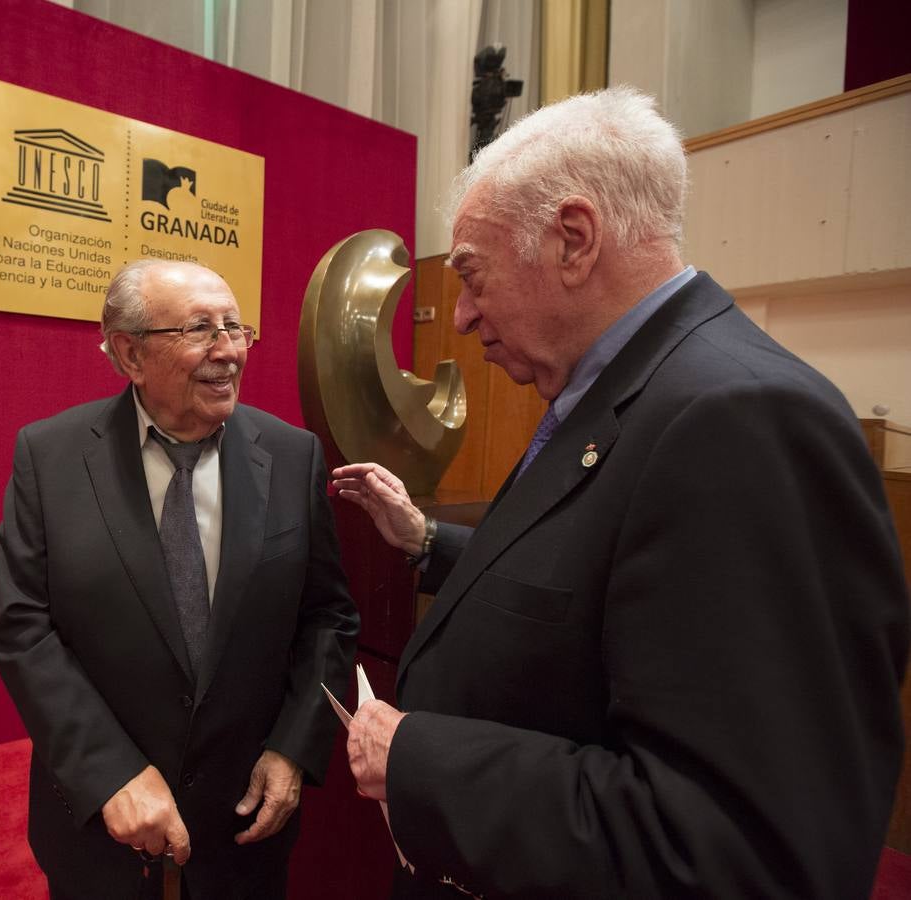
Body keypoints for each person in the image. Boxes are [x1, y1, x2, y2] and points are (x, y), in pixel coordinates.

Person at [333, 86, 908, 899]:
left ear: (573, 240)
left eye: (472, 276)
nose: (458, 316)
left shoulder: (742, 421)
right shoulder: (625, 393)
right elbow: (600, 582)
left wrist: (421, 761)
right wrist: (428, 542)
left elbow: (739, 851)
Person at [0, 259, 359, 899]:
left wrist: (294, 749)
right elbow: (22, 629)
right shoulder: (50, 457)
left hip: (244, 831)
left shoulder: (293, 455)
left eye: (235, 327)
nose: (229, 350)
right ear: (130, 354)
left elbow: (327, 616)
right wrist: (109, 773)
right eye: (200, 329)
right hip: (102, 831)